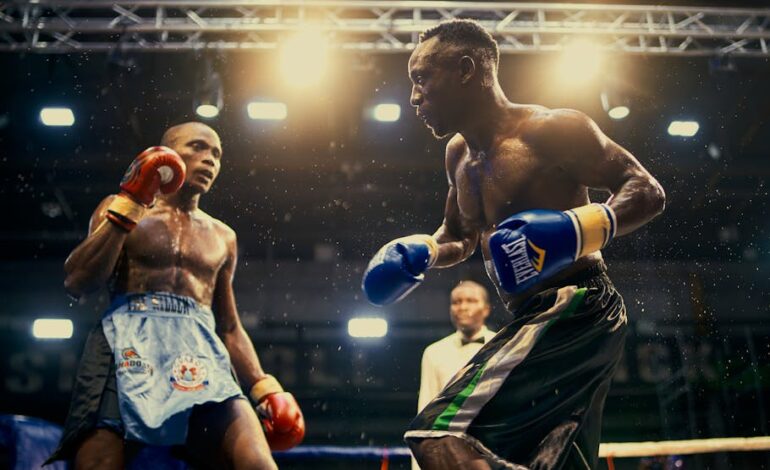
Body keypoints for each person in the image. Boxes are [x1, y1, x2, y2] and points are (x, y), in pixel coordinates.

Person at [362, 19, 665, 470]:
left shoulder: (552, 129)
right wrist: (421, 251)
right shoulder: (459, 156)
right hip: (532, 316)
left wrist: (576, 229)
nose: (414, 97)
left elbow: (645, 189)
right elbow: (460, 236)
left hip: (577, 305)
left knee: (438, 433)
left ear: (466, 69)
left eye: (422, 78)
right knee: (553, 462)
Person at [46, 122, 304, 470]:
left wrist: (263, 386)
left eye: (216, 153)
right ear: (167, 152)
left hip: (198, 345)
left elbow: (227, 326)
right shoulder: (119, 206)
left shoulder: (222, 236)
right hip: (126, 339)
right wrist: (131, 204)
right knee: (98, 462)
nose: (209, 159)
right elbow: (78, 280)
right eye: (198, 147)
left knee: (256, 461)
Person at [413, 280, 496, 470]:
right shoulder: (434, 352)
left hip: (491, 449)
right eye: (456, 302)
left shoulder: (502, 345)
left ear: (486, 309)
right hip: (447, 451)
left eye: (471, 300)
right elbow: (425, 411)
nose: (463, 307)